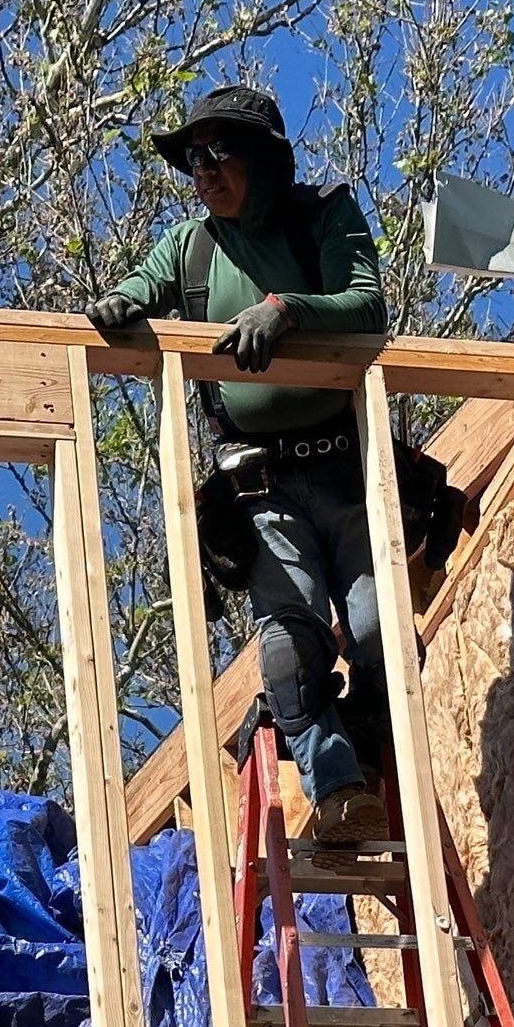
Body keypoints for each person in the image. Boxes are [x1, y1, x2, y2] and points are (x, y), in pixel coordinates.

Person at [86, 83, 394, 841]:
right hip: (259, 482)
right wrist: (117, 308)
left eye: (221, 154)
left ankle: (369, 750)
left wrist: (286, 310)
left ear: (265, 160)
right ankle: (337, 789)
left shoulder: (324, 215)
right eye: (193, 158)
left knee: (377, 627)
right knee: (288, 638)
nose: (204, 171)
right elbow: (132, 293)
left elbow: (367, 304)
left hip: (347, 471)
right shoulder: (189, 249)